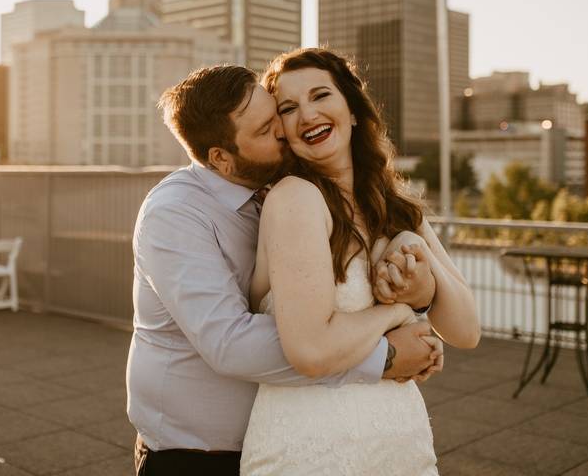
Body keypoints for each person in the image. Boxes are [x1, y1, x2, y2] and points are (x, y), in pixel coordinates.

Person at [127, 64, 443, 476]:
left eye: (275, 113)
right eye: (263, 130)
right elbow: (231, 343)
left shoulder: (291, 189)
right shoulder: (175, 215)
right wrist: (385, 355)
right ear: (220, 159)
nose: (283, 130)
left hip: (288, 437)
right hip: (197, 456)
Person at [240, 48, 480, 475]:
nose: (307, 115)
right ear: (283, 132)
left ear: (352, 110)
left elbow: (466, 332)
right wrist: (402, 308)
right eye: (289, 108)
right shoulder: (294, 197)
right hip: (312, 448)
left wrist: (418, 260)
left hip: (398, 440)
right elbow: (310, 351)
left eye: (320, 96)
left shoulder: (393, 204)